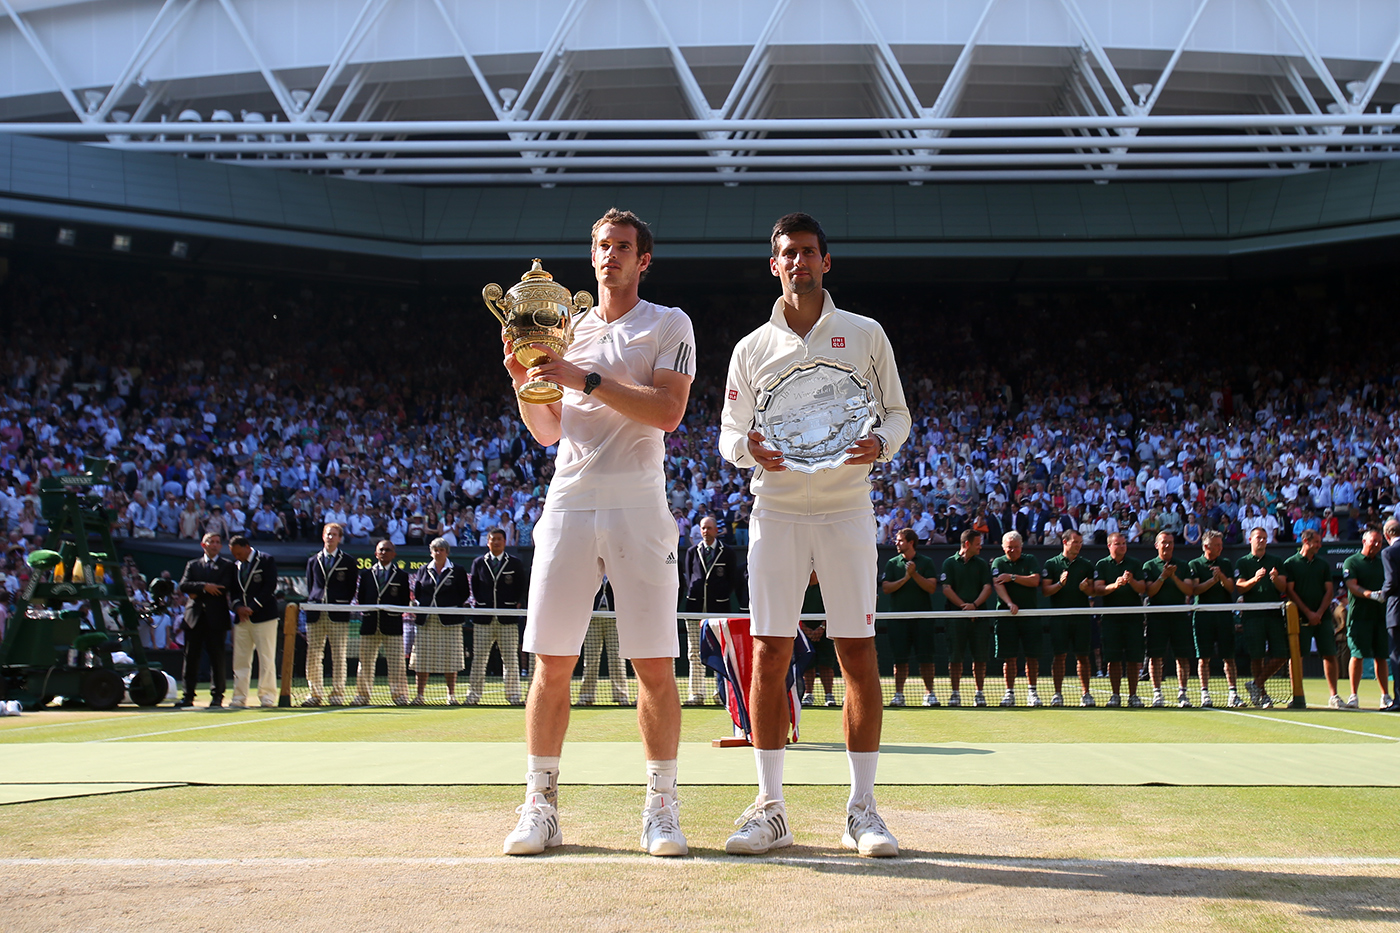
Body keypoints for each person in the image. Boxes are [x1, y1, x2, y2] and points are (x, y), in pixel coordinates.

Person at [502, 208, 695, 858]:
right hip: (569, 502)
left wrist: (584, 378)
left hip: (639, 506)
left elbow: (668, 411)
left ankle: (661, 808)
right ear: (591, 258)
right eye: (601, 246)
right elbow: (551, 431)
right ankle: (540, 804)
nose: (609, 255)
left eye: (622, 246)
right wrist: (522, 378)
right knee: (551, 662)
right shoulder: (566, 328)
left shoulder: (668, 323)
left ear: (644, 260)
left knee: (653, 664)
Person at [719, 212, 909, 858]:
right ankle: (771, 808)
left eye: (807, 251)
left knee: (858, 654)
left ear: (827, 261)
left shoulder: (866, 335)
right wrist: (747, 447)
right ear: (774, 265)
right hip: (774, 511)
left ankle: (863, 809)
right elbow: (726, 433)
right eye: (786, 254)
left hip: (846, 509)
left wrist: (880, 442)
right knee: (769, 654)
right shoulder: (751, 349)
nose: (797, 262)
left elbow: (899, 413)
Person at [682, 515, 744, 705]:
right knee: (694, 653)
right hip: (695, 610)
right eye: (703, 528)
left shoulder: (728, 552)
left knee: (719, 652)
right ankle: (696, 694)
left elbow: (733, 579)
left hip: (719, 610)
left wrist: (721, 593)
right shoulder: (692, 551)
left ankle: (721, 693)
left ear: (716, 530)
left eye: (709, 528)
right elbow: (688, 576)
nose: (705, 532)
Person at [467, 527, 528, 706]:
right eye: (493, 539)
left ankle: (514, 696)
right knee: (479, 659)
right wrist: (484, 605)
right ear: (488, 542)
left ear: (505, 541)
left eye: (499, 539)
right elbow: (476, 587)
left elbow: (521, 587)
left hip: (507, 619)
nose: (496, 542)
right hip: (483, 619)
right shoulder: (478, 562)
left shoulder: (515, 563)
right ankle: (473, 696)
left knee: (510, 659)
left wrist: (514, 604)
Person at [881, 527, 940, 707]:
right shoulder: (892, 563)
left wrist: (914, 574)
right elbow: (886, 588)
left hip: (922, 619)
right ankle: (898, 694)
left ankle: (930, 694)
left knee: (926, 659)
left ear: (910, 542)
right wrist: (906, 577)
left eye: (900, 540)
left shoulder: (926, 562)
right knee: (900, 660)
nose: (896, 543)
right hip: (898, 620)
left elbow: (931, 588)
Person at [1282, 528, 1342, 707]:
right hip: (1299, 618)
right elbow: (1290, 591)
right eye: (1316, 542)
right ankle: (1298, 696)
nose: (1319, 545)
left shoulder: (1322, 564)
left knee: (1330, 654)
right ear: (1306, 542)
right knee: (1297, 656)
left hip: (1322, 618)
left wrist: (1319, 613)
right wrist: (1308, 613)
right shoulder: (1291, 563)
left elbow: (1329, 590)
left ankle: (1334, 695)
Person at [175, 532, 234, 708]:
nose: (215, 545)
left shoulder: (228, 566)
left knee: (217, 658)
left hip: (216, 618)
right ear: (203, 545)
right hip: (194, 618)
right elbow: (183, 585)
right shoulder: (192, 565)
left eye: (217, 542)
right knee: (191, 657)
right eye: (211, 542)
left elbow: (224, 587)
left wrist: (197, 591)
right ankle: (188, 695)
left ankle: (217, 696)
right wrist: (205, 587)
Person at [409, 537, 470, 704]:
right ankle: (419, 695)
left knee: (451, 658)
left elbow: (463, 593)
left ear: (447, 552)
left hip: (449, 620)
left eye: (441, 550)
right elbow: (419, 592)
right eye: (435, 550)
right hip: (427, 621)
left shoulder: (457, 570)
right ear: (431, 552)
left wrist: (446, 605)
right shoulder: (423, 570)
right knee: (422, 659)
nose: (438, 553)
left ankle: (451, 695)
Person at [302, 522, 357, 706]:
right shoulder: (313, 560)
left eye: (334, 534)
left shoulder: (348, 561)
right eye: (328, 534)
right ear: (323, 536)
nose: (330, 537)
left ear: (340, 538)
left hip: (338, 614)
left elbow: (350, 589)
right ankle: (315, 694)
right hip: (316, 614)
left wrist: (339, 604)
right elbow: (312, 586)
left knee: (339, 655)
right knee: (313, 655)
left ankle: (337, 695)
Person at [1234, 526, 1289, 708]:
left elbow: (1283, 588)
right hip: (1253, 616)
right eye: (1259, 537)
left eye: (1265, 538)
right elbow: (1240, 587)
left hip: (1273, 614)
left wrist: (1275, 578)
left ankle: (1256, 685)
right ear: (1250, 540)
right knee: (1256, 656)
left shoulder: (1276, 561)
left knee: (1281, 654)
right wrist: (1255, 579)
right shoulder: (1243, 562)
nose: (1262, 541)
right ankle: (1263, 695)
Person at [352, 538, 411, 706]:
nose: (384, 552)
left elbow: (404, 601)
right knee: (365, 663)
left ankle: (399, 695)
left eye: (387, 550)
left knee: (397, 663)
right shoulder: (366, 574)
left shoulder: (401, 576)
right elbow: (361, 599)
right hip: (370, 625)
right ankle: (362, 696)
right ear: (375, 553)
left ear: (394, 554)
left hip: (392, 626)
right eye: (381, 550)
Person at [1041, 528, 1095, 707]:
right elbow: (1046, 591)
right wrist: (1060, 584)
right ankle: (1057, 694)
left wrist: (1085, 589)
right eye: (1075, 542)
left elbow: (1093, 590)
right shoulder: (1052, 564)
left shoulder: (1086, 565)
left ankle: (1086, 694)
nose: (1079, 546)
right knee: (1059, 656)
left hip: (1081, 618)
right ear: (1065, 542)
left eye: (1080, 543)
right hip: (1059, 618)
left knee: (1083, 657)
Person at [940, 528, 995, 707]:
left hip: (978, 618)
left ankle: (979, 693)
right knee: (955, 658)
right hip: (956, 618)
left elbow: (987, 588)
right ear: (967, 544)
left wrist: (975, 607)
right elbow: (946, 588)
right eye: (978, 544)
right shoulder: (949, 563)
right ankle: (955, 694)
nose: (981, 547)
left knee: (980, 658)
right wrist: (964, 607)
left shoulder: (981, 564)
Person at [1188, 529, 1241, 708]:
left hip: (1224, 615)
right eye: (1217, 545)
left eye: (1221, 544)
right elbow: (1195, 590)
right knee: (1203, 658)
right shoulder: (1195, 564)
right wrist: (1212, 580)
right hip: (1203, 615)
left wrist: (1222, 577)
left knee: (1229, 657)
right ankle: (1205, 694)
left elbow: (1230, 587)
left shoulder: (1225, 563)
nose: (1221, 548)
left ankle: (1233, 693)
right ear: (1206, 546)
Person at [990, 531, 1043, 707]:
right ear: (1003, 548)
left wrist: (1012, 577)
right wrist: (1009, 603)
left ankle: (1032, 692)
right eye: (1008, 548)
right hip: (1006, 617)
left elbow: (1035, 581)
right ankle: (1009, 693)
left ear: (1021, 546)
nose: (1012, 551)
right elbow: (998, 585)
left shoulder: (1031, 560)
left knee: (1032, 657)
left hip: (1029, 616)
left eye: (1015, 547)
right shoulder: (998, 562)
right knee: (1009, 658)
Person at [1144, 530, 1196, 708]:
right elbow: (1150, 591)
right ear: (1157, 545)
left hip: (1179, 617)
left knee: (1182, 657)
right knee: (1155, 657)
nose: (1167, 545)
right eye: (1164, 542)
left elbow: (1189, 591)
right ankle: (1157, 693)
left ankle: (1182, 693)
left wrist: (1173, 576)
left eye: (1171, 542)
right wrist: (1163, 576)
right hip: (1156, 617)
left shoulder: (1182, 565)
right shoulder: (1149, 566)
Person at [1094, 531, 1146, 707]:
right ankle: (1115, 695)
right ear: (1110, 545)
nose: (1122, 546)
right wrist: (1115, 585)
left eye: (1124, 543)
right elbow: (1098, 589)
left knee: (1133, 659)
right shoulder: (1101, 565)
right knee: (1113, 659)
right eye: (1118, 544)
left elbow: (1142, 588)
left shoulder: (1135, 564)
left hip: (1133, 619)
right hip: (1111, 619)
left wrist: (1131, 581)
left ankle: (1133, 696)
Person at [227, 535, 279, 709]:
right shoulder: (235, 566)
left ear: (247, 547)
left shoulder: (265, 560)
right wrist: (239, 607)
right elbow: (233, 592)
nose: (237, 557)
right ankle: (239, 697)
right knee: (240, 659)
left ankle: (267, 696)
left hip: (264, 617)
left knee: (266, 658)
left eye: (239, 553)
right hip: (242, 619)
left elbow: (270, 586)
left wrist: (252, 607)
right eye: (234, 554)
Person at [1342, 528, 1391, 710]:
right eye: (1374, 541)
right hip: (1359, 618)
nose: (1377, 545)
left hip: (1380, 617)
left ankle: (1385, 696)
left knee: (1381, 657)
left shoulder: (1383, 561)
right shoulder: (1351, 561)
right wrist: (1371, 595)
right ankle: (1353, 696)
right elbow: (1352, 586)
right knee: (1357, 655)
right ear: (1364, 541)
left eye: (1380, 542)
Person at [798, 572, 837, 707]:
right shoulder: (799, 587)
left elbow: (833, 608)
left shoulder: (827, 587)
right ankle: (808, 694)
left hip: (825, 631)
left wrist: (822, 627)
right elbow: (794, 610)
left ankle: (829, 695)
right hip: (804, 630)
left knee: (826, 664)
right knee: (808, 665)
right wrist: (805, 629)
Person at [1378, 518, 1400, 711]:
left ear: (1387, 535)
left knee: (1397, 656)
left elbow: (1391, 580)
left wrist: (1382, 594)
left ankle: (1399, 699)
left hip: (1397, 611)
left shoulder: (1388, 552)